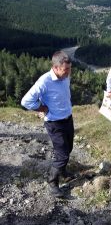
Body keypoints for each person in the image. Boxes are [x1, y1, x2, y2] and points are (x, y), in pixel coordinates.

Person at [21, 51, 74, 198]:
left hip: (68, 118)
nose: (68, 73)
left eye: (69, 69)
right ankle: (52, 182)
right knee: (62, 155)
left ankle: (62, 172)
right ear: (55, 68)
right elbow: (25, 101)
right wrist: (41, 108)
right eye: (65, 70)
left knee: (68, 148)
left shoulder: (65, 76)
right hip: (54, 123)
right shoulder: (44, 81)